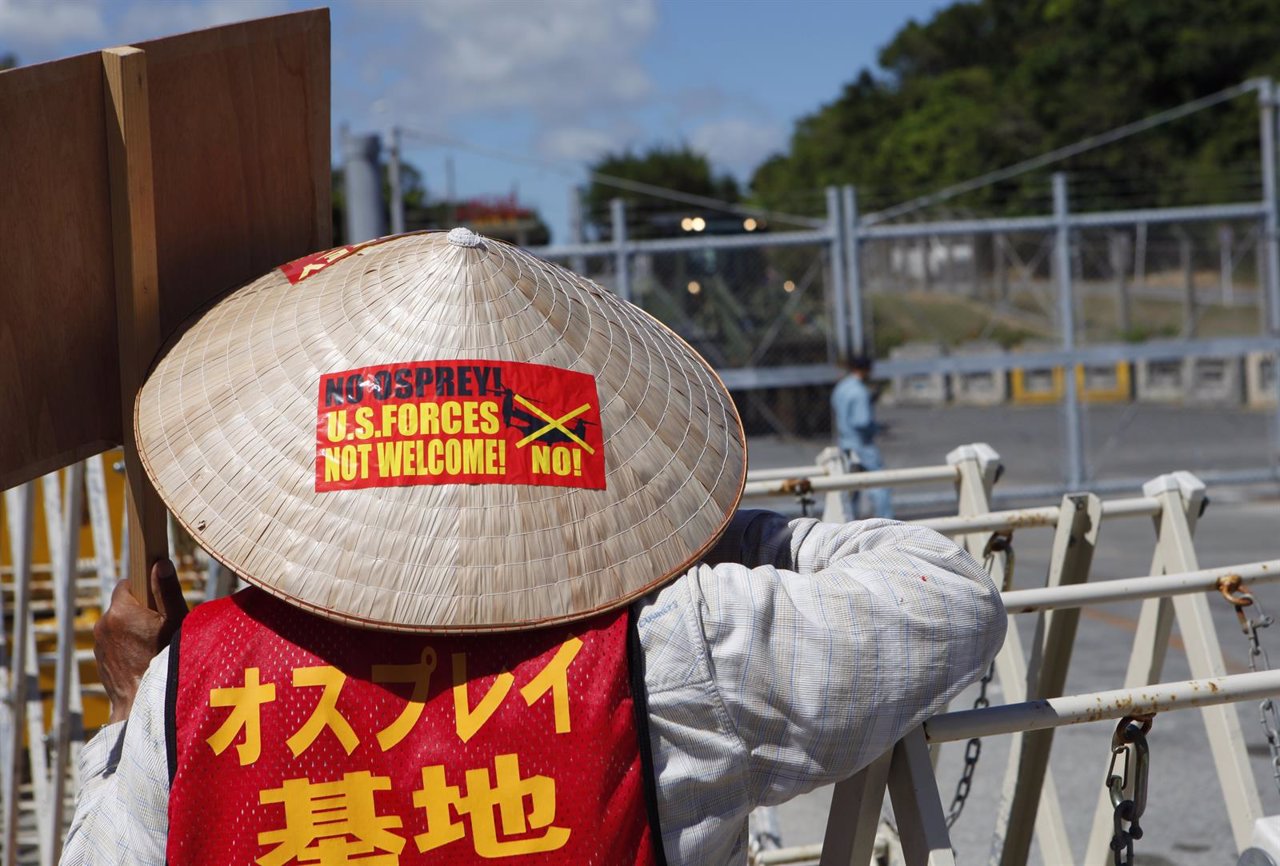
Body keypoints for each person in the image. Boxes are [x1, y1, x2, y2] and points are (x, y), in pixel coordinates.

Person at [63, 229, 1005, 865]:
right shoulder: (679, 645)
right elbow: (945, 597)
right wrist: (710, 534)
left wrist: (131, 705)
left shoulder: (191, 683)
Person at [830, 354, 893, 519]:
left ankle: (850, 521)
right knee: (878, 483)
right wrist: (878, 428)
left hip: (845, 443)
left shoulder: (841, 388)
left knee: (851, 486)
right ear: (867, 369)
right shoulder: (860, 391)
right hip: (862, 444)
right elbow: (862, 421)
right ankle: (886, 520)